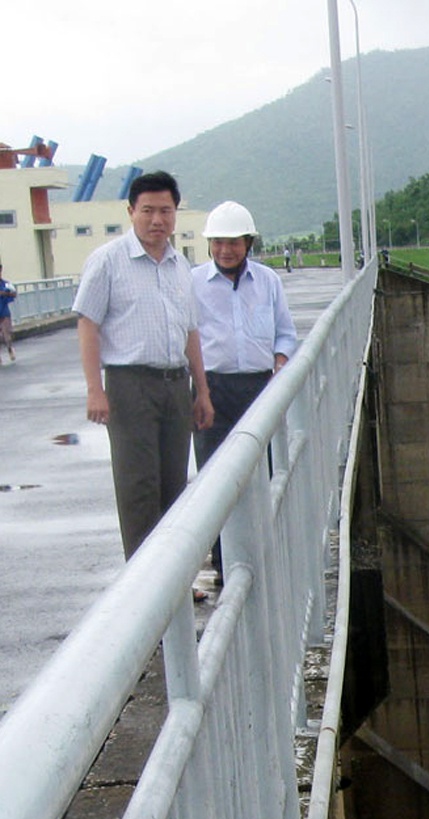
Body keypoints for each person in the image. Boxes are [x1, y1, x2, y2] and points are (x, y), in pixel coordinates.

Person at [73, 170, 214, 564]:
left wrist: (201, 391)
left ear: (176, 213)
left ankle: (173, 583)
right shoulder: (107, 262)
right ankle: (142, 587)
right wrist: (94, 389)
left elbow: (190, 332)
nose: (157, 220)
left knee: (173, 486)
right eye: (148, 210)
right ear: (131, 211)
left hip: (175, 384)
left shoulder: (179, 266)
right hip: (129, 385)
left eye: (166, 211)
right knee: (139, 489)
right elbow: (88, 324)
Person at [193, 200, 297, 584]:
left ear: (248, 243)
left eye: (233, 242)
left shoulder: (268, 281)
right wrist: (199, 389)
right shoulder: (193, 284)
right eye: (218, 242)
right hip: (211, 390)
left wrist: (281, 361)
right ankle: (224, 564)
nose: (225, 250)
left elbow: (285, 332)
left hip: (258, 387)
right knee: (215, 481)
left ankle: (260, 558)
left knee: (261, 475)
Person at [0, 264, 16, 362]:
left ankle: (10, 348)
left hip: (4, 312)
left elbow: (14, 294)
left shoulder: (5, 284)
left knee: (6, 334)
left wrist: (6, 293)